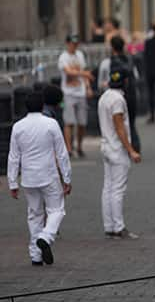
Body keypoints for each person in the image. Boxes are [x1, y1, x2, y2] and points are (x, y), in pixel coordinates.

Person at [7, 91, 72, 265]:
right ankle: (46, 236)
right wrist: (67, 178)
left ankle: (35, 255)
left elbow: (13, 157)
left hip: (28, 177)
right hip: (49, 175)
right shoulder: (51, 124)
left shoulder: (18, 127)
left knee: (34, 214)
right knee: (56, 210)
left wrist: (12, 182)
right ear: (43, 105)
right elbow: (62, 153)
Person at [98, 67, 142, 239]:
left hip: (106, 146)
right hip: (117, 149)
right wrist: (131, 150)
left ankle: (109, 225)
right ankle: (118, 226)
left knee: (108, 188)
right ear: (125, 82)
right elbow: (119, 127)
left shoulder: (104, 97)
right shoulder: (118, 100)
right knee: (117, 189)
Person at [99, 35, 141, 152]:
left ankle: (123, 147)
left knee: (115, 125)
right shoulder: (130, 60)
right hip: (130, 95)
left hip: (113, 97)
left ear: (112, 47)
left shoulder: (107, 63)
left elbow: (101, 82)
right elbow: (136, 77)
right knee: (130, 123)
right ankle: (135, 146)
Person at [58, 34, 93, 158]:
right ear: (68, 44)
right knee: (69, 122)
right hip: (68, 92)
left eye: (76, 43)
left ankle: (79, 146)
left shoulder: (80, 55)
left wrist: (88, 87)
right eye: (72, 43)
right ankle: (68, 148)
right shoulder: (63, 57)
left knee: (82, 122)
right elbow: (68, 71)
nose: (75, 46)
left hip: (80, 91)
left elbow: (84, 75)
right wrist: (84, 74)